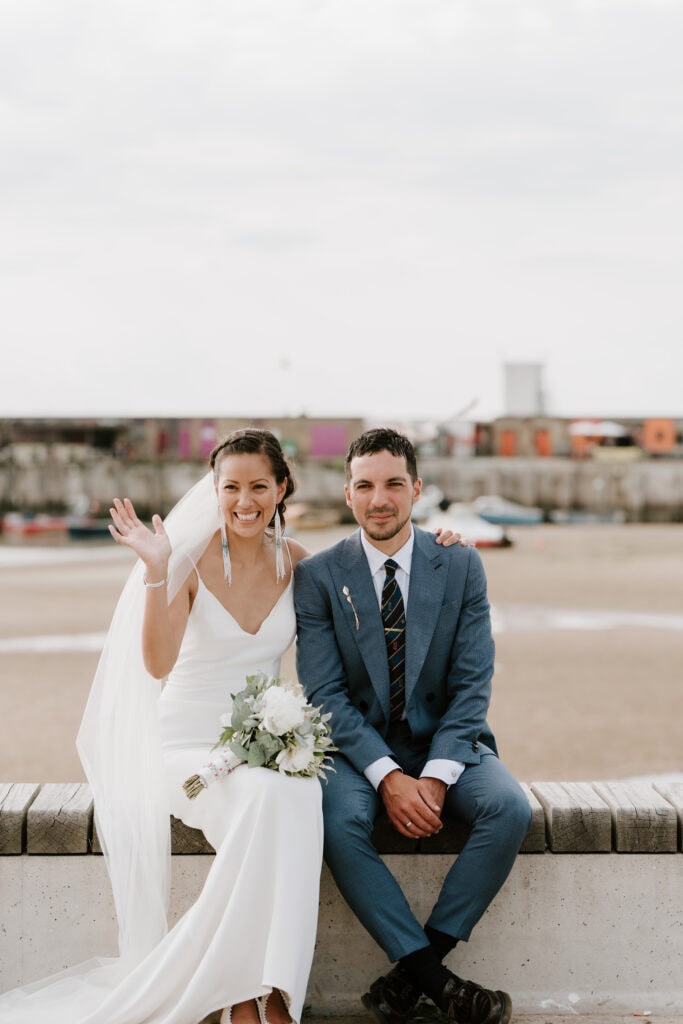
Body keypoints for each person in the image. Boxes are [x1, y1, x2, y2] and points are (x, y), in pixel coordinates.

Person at [0, 427, 462, 1024]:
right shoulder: (186, 560)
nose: (245, 501)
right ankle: (237, 994)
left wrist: (437, 546)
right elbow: (157, 664)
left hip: (261, 749)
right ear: (214, 491)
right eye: (232, 488)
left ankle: (272, 993)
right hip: (183, 748)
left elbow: (371, 596)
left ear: (281, 489)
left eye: (259, 487)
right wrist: (156, 571)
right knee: (272, 802)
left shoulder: (300, 565)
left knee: (297, 796)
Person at [294, 428, 532, 1024]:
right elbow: (324, 693)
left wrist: (438, 773)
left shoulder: (460, 563)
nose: (381, 498)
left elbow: (472, 684)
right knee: (337, 821)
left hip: (447, 743)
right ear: (348, 494)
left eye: (394, 483)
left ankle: (412, 975)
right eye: (366, 485)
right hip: (357, 751)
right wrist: (388, 777)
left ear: (417, 489)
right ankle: (439, 984)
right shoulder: (320, 577)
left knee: (510, 809)